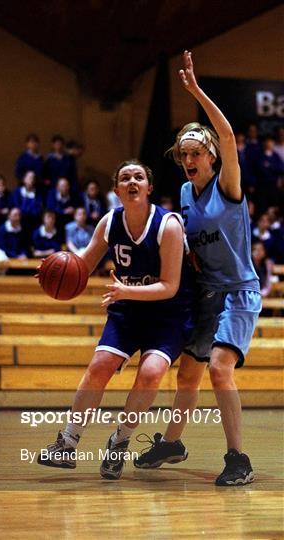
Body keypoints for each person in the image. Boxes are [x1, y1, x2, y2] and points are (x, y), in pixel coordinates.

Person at [134, 51, 262, 486]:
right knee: (188, 372)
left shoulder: (228, 185)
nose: (187, 159)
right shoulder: (186, 195)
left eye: (194, 152)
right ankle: (172, 442)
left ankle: (237, 459)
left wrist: (193, 91)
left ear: (210, 155)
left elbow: (226, 134)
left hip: (239, 290)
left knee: (219, 368)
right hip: (206, 292)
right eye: (182, 153)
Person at [37, 159, 195, 479]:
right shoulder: (110, 222)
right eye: (125, 178)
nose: (132, 181)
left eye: (139, 176)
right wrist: (54, 268)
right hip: (129, 310)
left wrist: (126, 291)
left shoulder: (169, 225)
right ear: (117, 190)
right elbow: (82, 264)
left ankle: (119, 441)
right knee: (99, 365)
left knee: (150, 373)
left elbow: (170, 286)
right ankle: (67, 442)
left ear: (149, 188)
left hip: (168, 314)